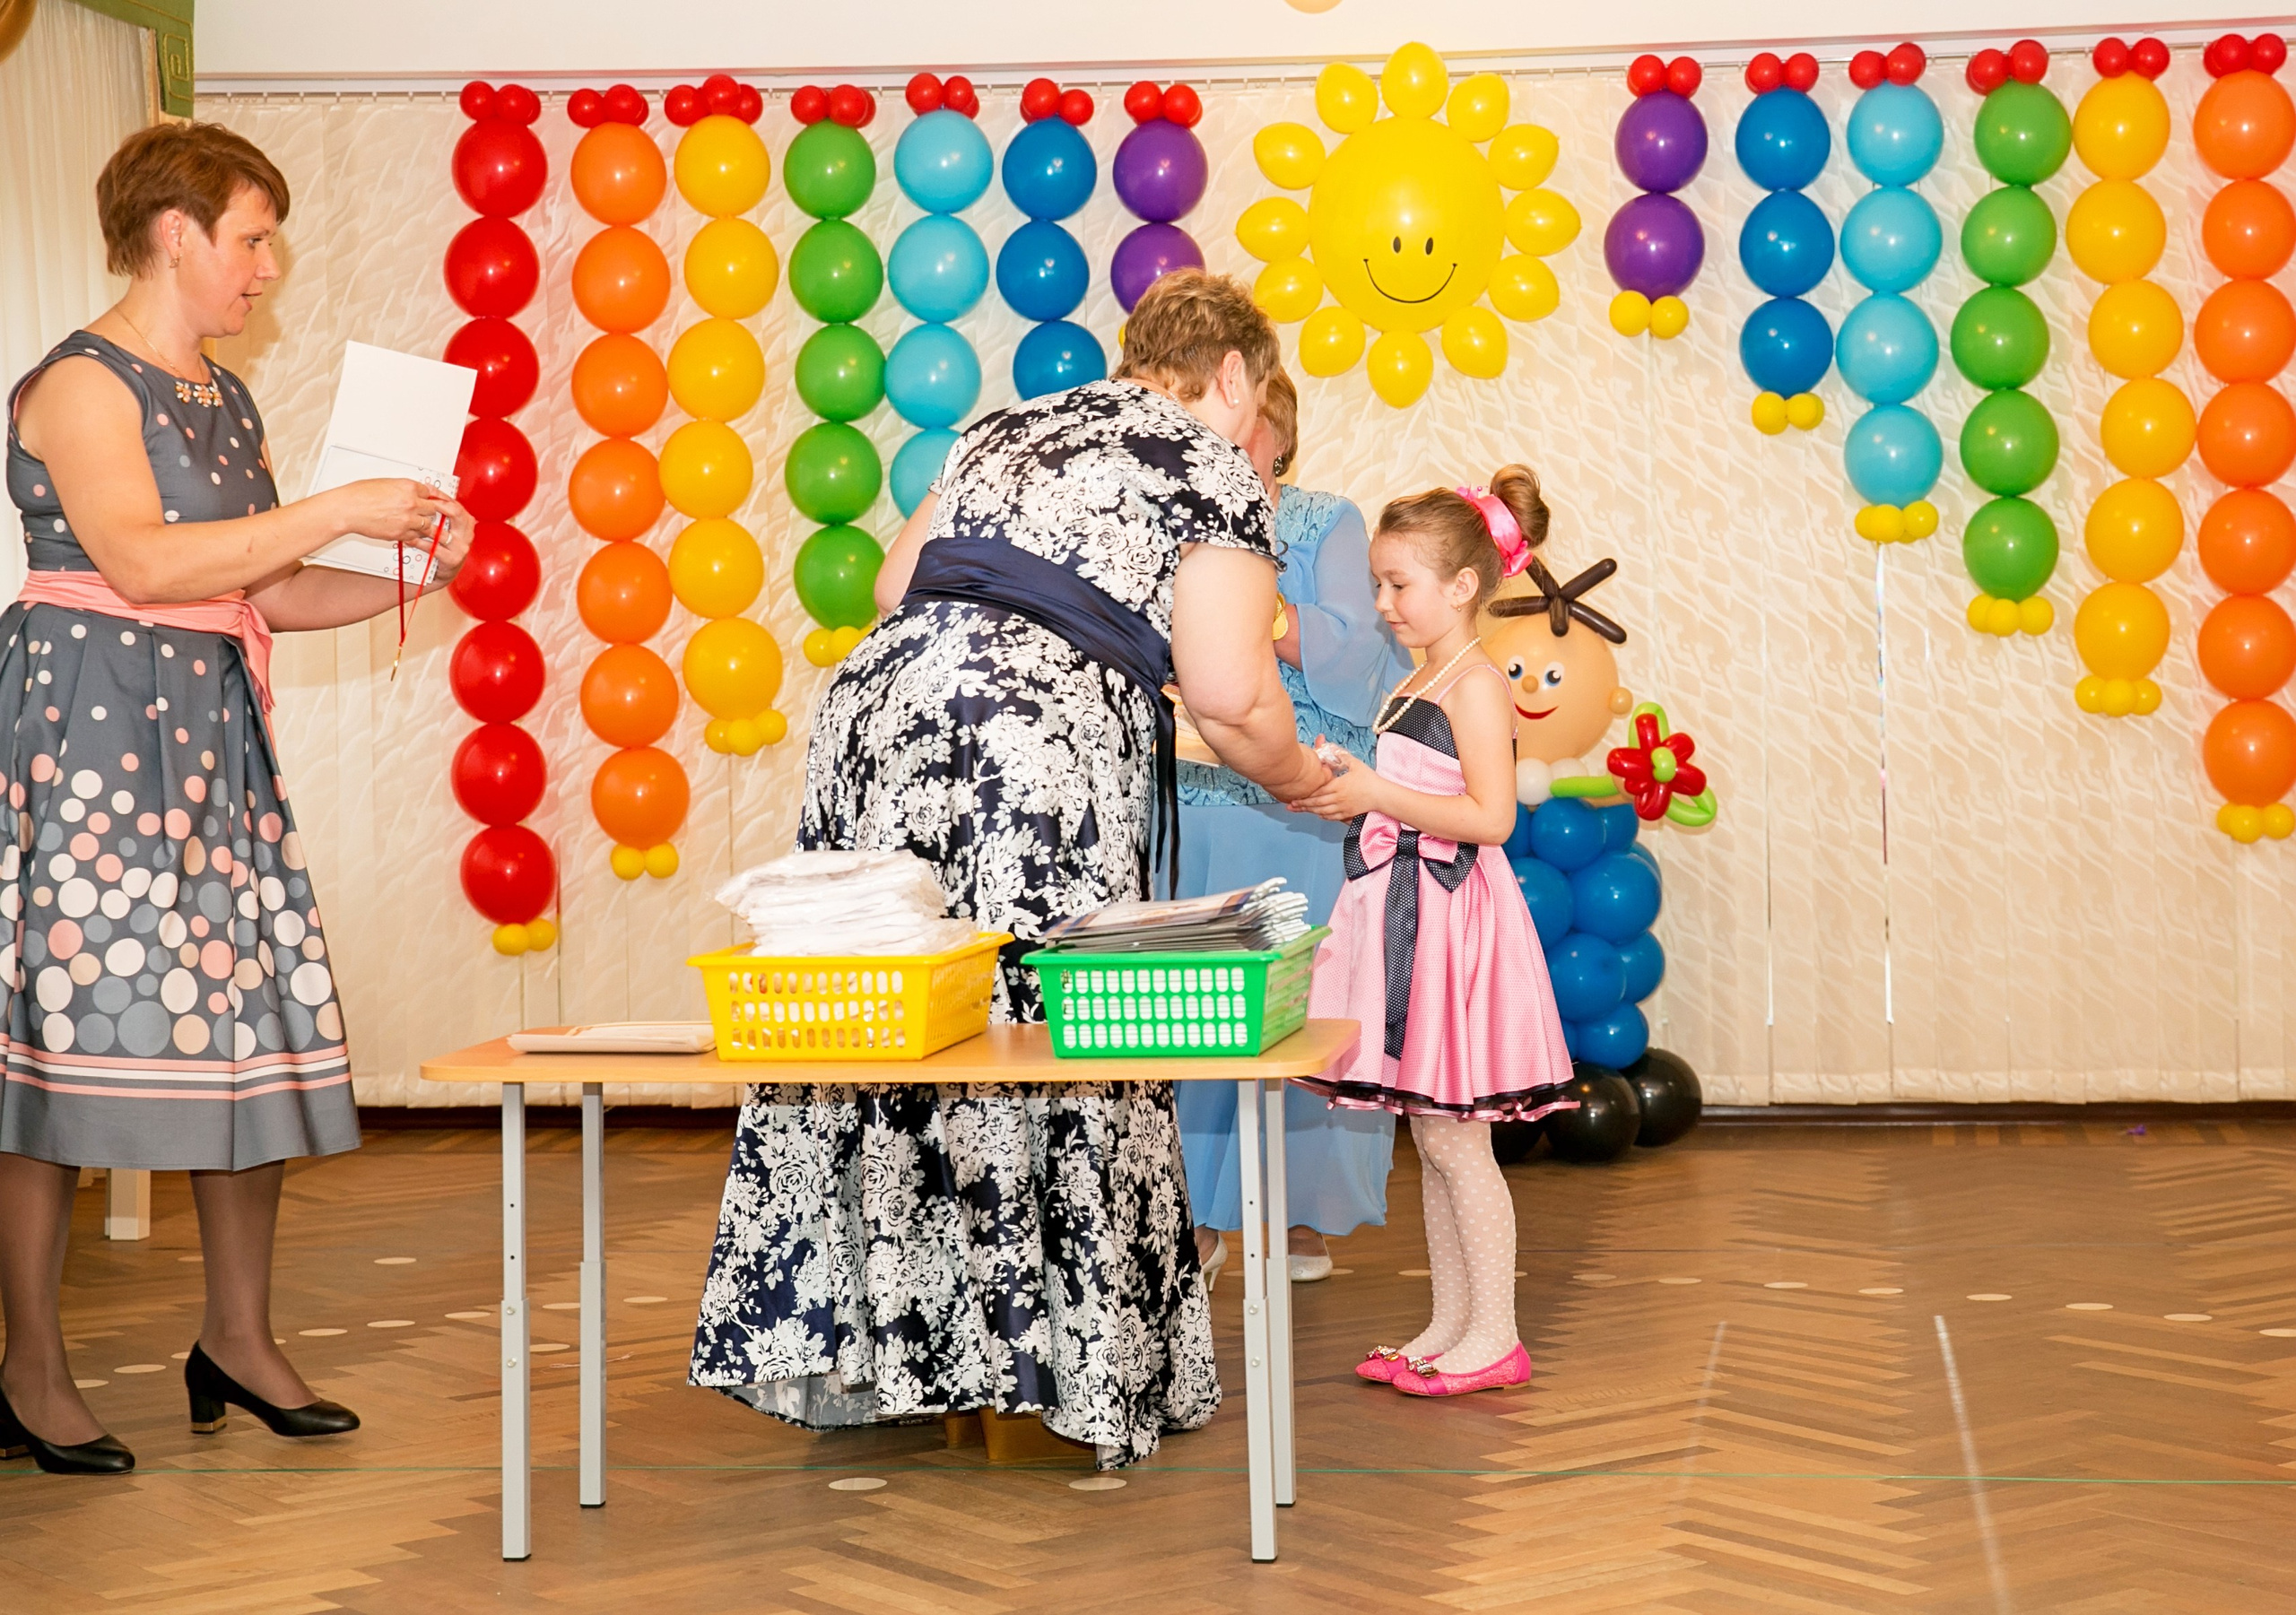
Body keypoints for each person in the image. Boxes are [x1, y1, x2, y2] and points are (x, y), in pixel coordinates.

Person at [690, 271, 1329, 1465]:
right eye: (1256, 416)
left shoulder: (1008, 421)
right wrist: (1296, 778)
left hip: (879, 712)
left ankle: (892, 1357)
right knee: (1056, 1024)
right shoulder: (1210, 459)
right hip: (1029, 739)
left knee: (893, 1008)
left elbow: (891, 585)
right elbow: (1236, 691)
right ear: (1235, 377)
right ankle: (1050, 1364)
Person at [0, 122, 474, 1473]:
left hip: (203, 734)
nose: (270, 265)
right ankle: (30, 1367)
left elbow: (257, 592)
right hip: (88, 737)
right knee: (59, 1040)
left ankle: (239, 1339)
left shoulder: (222, 395)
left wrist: (414, 569)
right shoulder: (79, 385)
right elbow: (145, 564)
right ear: (176, 232)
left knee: (237, 1026)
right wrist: (336, 510)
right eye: (253, 236)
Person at [1292, 469, 1577, 1397]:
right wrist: (1351, 783)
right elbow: (1413, 795)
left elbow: (1490, 818)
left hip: (1453, 922)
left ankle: (1494, 1332)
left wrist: (1378, 792)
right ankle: (1450, 1321)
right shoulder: (1423, 676)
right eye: (1377, 583)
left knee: (1461, 1141)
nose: (1382, 602)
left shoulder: (1478, 683)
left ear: (1462, 585)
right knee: (1433, 1134)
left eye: (1397, 584)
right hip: (1407, 915)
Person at [1172, 371, 1411, 1286]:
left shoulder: (1325, 520)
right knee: (1189, 1005)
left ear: (1276, 434)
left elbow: (1365, 645)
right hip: (1197, 794)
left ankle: (1295, 1212)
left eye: (1237, 427)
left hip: (1307, 797)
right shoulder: (1173, 521)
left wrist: (1260, 617)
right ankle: (1190, 1212)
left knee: (1305, 1006)